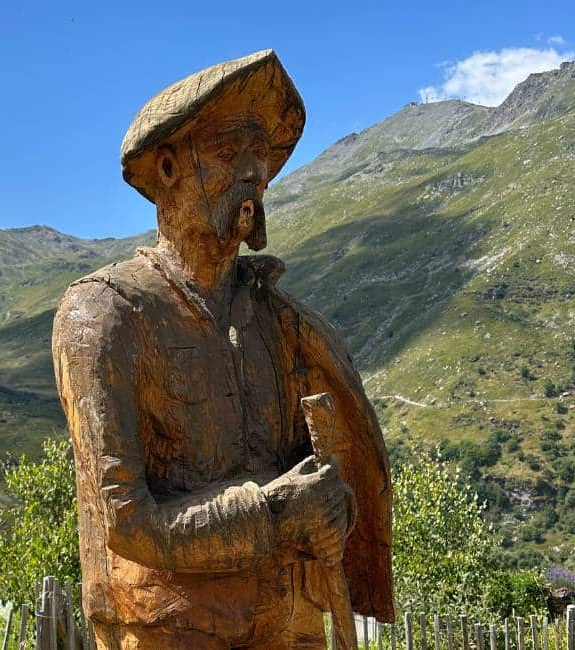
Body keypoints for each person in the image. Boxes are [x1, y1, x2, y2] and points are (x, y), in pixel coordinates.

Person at [52, 49, 393, 649]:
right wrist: (273, 513)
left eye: (261, 157)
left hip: (291, 625)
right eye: (229, 152)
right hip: (173, 630)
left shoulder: (280, 320)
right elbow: (126, 524)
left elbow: (314, 476)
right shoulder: (106, 314)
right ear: (166, 168)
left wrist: (332, 506)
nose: (254, 173)